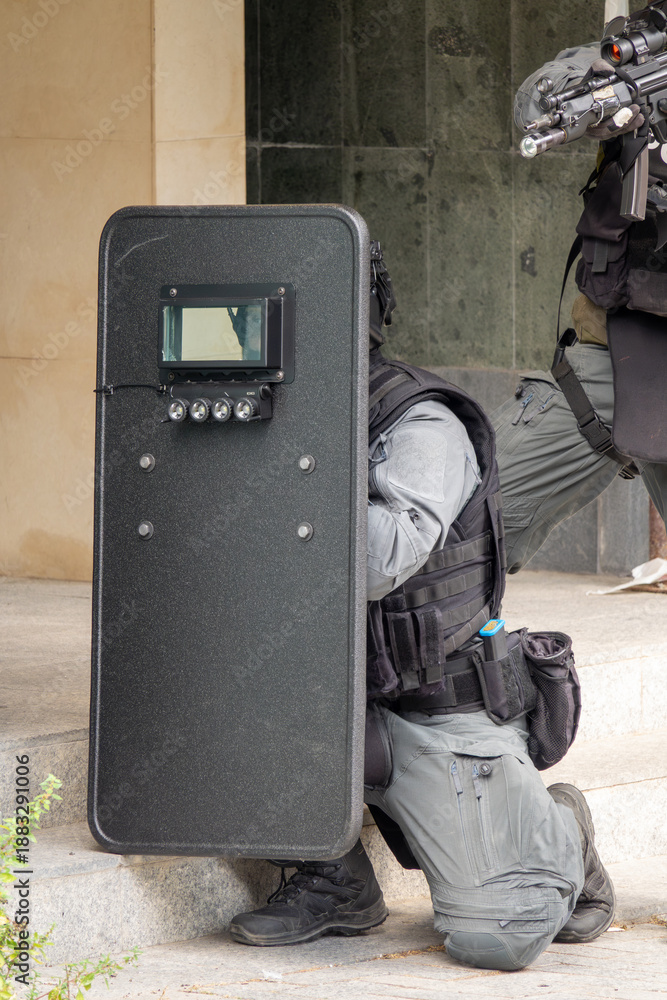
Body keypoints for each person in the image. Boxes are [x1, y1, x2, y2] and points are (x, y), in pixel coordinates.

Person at [229, 244, 615, 972]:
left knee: (499, 936)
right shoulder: (267, 413)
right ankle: (333, 877)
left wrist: (275, 476)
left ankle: (560, 827)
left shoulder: (418, 424)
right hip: (327, 698)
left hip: (429, 704)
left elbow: (379, 563)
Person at [492, 24, 667, 574]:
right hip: (610, 357)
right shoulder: (648, 48)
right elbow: (534, 103)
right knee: (473, 513)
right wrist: (597, 90)